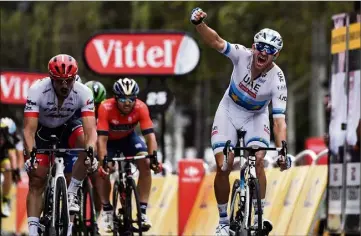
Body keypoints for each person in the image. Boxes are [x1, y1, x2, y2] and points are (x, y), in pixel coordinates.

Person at [190, 7, 291, 235]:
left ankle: (259, 214)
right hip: (229, 110)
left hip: (256, 116)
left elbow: (279, 122)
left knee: (258, 159)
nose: (263, 53)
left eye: (270, 50)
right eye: (261, 47)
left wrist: (283, 150)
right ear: (254, 47)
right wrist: (199, 25)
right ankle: (224, 221)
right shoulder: (241, 54)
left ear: (276, 55)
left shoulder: (278, 79)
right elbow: (216, 42)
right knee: (224, 164)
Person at [23, 54, 98, 236]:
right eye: (59, 81)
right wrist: (30, 154)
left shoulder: (84, 92)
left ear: (75, 78)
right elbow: (29, 130)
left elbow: (91, 131)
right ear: (51, 78)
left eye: (69, 81)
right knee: (37, 178)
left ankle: (72, 191)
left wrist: (91, 152)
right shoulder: (37, 90)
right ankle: (33, 230)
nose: (64, 85)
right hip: (42, 130)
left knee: (85, 145)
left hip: (67, 127)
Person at [96, 78, 162, 232]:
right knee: (106, 170)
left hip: (128, 139)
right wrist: (102, 162)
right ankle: (107, 210)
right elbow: (102, 139)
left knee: (145, 164)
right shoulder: (106, 107)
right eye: (123, 99)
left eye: (131, 99)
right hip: (109, 141)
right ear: (116, 98)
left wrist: (154, 159)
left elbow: (150, 136)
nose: (127, 103)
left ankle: (143, 212)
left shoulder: (141, 107)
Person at [0, 118, 21, 217]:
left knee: (8, 167)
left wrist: (16, 171)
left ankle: (6, 199)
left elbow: (13, 156)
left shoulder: (10, 139)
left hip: (3, 156)